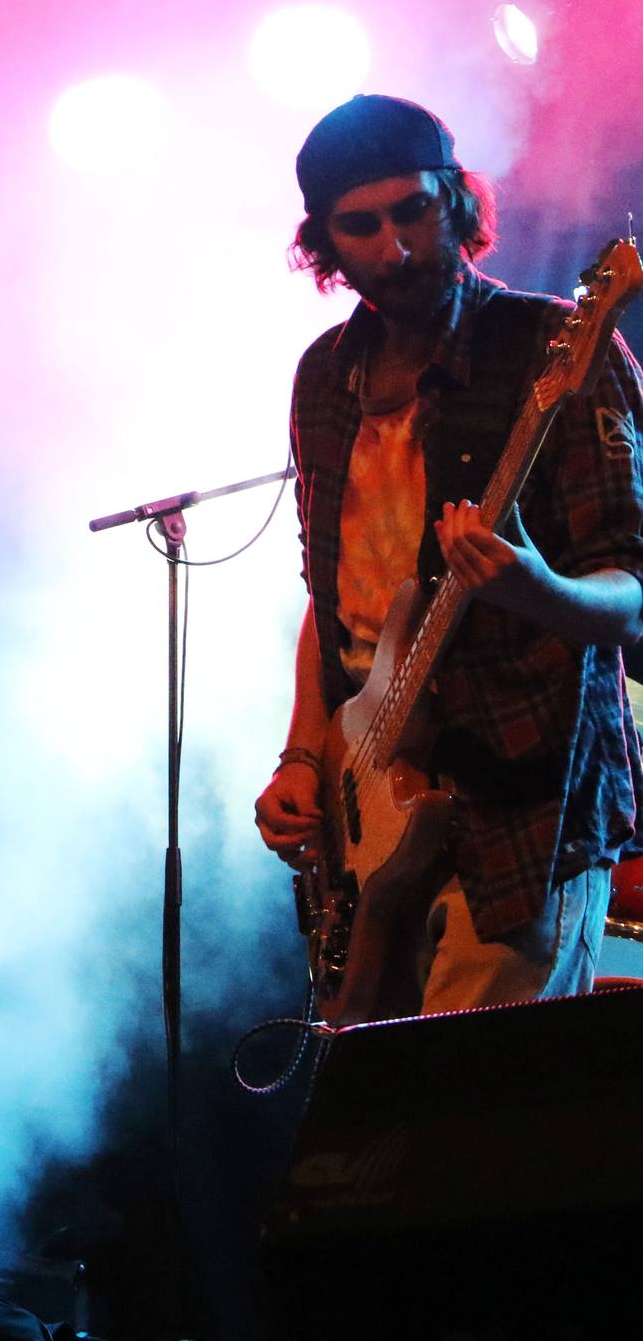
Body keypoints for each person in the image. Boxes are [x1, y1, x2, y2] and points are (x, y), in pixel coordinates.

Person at [253, 94, 643, 1018]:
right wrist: (303, 758)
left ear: (456, 203)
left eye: (413, 211)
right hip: (374, 811)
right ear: (323, 242)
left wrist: (538, 589)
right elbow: (332, 600)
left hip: (524, 806)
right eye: (360, 225)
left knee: (478, 1116)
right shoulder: (323, 377)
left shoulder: (552, 344)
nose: (393, 245)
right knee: (378, 1123)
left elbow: (630, 597)